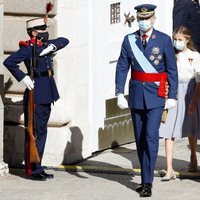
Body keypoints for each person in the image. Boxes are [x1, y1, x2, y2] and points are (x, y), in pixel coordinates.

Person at [115, 4, 178, 197]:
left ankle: (148, 183)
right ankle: (144, 179)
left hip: (156, 96)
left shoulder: (164, 40)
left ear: (153, 19)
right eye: (140, 18)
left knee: (151, 137)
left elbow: (171, 70)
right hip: (135, 96)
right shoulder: (129, 40)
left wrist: (172, 96)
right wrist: (119, 92)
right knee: (141, 139)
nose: (143, 21)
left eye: (147, 18)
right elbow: (122, 66)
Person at [3, 17, 69, 181]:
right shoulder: (27, 48)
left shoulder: (46, 45)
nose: (45, 32)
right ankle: (32, 169)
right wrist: (23, 77)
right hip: (36, 93)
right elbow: (9, 62)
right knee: (34, 132)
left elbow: (64, 40)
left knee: (41, 131)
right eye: (41, 29)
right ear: (33, 32)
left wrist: (53, 46)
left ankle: (38, 165)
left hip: (47, 92)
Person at [159, 26, 200, 181]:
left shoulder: (194, 55)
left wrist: (194, 101)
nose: (177, 42)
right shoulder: (170, 54)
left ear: (187, 40)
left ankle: (193, 156)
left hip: (190, 92)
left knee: (191, 128)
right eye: (175, 39)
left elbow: (198, 81)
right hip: (173, 94)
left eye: (180, 40)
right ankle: (169, 168)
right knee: (169, 129)